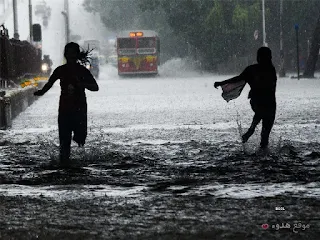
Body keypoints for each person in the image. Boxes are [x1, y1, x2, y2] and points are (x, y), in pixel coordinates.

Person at [34, 42, 99, 164]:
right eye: (68, 53)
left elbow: (95, 87)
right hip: (64, 109)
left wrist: (82, 84)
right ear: (65, 55)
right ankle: (64, 164)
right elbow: (49, 83)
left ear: (76, 55)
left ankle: (74, 159)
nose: (70, 56)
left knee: (80, 139)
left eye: (73, 53)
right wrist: (41, 92)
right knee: (64, 142)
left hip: (79, 109)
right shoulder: (60, 70)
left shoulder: (82, 71)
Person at [214, 47, 277, 149]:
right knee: (264, 130)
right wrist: (222, 83)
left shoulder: (254, 70)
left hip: (262, 103)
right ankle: (252, 132)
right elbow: (238, 78)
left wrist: (221, 82)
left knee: (264, 137)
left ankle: (252, 131)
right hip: (265, 103)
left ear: (258, 57)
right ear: (270, 57)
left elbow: (238, 78)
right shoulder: (267, 70)